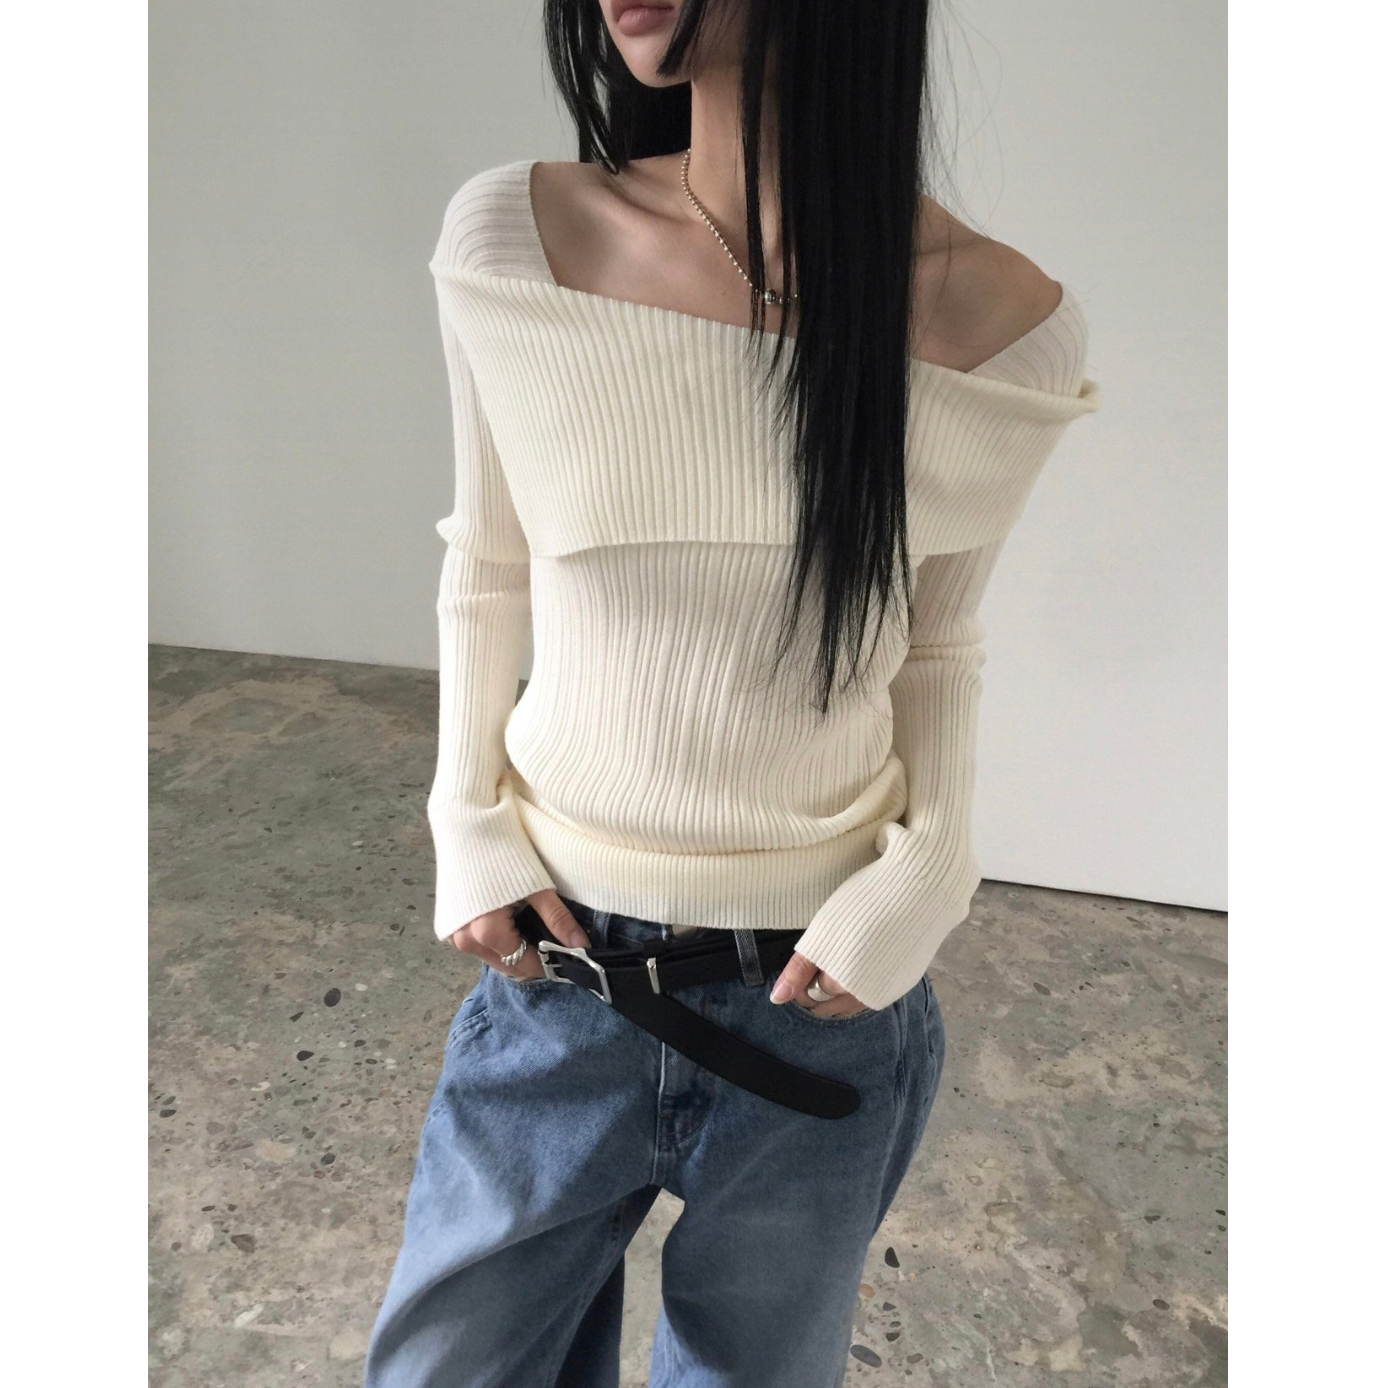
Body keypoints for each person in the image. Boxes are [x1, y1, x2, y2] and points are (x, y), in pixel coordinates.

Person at [364, 1, 1101, 1384]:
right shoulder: (519, 237)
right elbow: (487, 562)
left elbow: (939, 642)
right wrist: (466, 821)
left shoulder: (1006, 324)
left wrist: (930, 869)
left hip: (819, 988)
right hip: (560, 969)